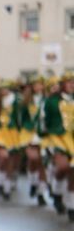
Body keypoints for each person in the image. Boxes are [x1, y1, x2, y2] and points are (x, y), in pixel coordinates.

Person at [41, 71, 73, 220]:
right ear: (62, 84)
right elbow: (43, 121)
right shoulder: (51, 101)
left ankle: (71, 206)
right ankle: (57, 191)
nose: (72, 84)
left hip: (72, 138)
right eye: (69, 82)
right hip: (56, 137)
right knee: (63, 167)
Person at [16, 77, 48, 204]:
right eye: (36, 84)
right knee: (33, 158)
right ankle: (33, 183)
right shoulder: (26, 101)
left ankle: (41, 193)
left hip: (44, 134)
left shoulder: (47, 100)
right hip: (29, 133)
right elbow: (21, 119)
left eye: (40, 84)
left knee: (42, 163)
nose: (38, 87)